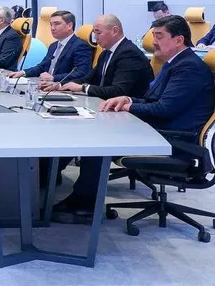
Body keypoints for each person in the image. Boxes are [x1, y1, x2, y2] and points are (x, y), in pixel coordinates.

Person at [50, 15, 215, 224]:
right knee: (98, 130)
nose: (153, 41)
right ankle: (75, 195)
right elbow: (153, 100)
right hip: (161, 131)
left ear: (178, 40)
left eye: (159, 36)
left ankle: (84, 206)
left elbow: (164, 109)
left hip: (176, 141)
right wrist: (127, 99)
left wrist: (129, 106)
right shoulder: (175, 63)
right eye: (153, 36)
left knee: (99, 140)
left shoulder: (188, 68)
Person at [61, 14, 154, 99]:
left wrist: (83, 88)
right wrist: (60, 85)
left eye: (98, 33)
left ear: (115, 31)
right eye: (94, 33)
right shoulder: (105, 53)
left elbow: (118, 91)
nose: (95, 37)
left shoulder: (129, 54)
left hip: (127, 109)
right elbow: (87, 80)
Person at [8, 10, 91, 89]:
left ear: (69, 26)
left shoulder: (80, 46)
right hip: (46, 85)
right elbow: (42, 66)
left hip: (63, 89)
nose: (52, 28)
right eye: (51, 24)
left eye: (57, 24)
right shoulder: (53, 46)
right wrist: (23, 72)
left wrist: (53, 78)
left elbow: (81, 73)